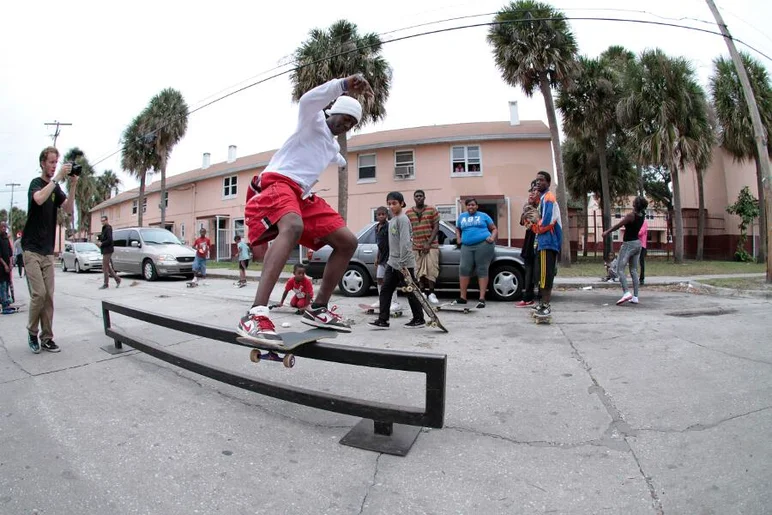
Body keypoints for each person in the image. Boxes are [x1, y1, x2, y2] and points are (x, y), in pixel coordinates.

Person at [236, 74, 373, 345]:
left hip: (302, 194)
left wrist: (343, 160)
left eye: (351, 124)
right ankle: (255, 313)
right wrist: (344, 85)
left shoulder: (332, 146)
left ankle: (318, 308)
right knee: (293, 226)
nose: (344, 126)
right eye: (344, 119)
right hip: (278, 182)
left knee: (348, 242)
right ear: (333, 112)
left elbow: (335, 156)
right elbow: (309, 100)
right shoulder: (312, 120)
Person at [22, 146, 79, 353]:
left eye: (57, 162)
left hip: (47, 251)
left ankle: (47, 337)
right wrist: (57, 179)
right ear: (42, 163)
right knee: (39, 293)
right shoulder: (36, 184)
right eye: (51, 162)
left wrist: (72, 185)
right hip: (31, 249)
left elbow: (69, 209)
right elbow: (38, 199)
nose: (54, 166)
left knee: (49, 297)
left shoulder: (56, 189)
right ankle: (31, 331)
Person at [369, 192, 426, 329]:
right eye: (389, 204)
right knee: (385, 290)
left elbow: (405, 243)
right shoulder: (393, 220)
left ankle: (419, 319)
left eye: (394, 203)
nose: (391, 206)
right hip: (392, 263)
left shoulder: (403, 219)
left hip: (404, 264)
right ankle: (383, 320)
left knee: (411, 291)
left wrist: (402, 263)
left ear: (401, 203)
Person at [603, 196, 648, 305]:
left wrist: (607, 232)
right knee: (633, 270)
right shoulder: (642, 215)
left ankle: (626, 292)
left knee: (619, 269)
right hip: (638, 244)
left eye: (634, 201)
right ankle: (635, 297)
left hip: (628, 244)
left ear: (635, 204)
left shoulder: (631, 216)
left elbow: (618, 225)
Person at [454, 198, 497, 308]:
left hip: (483, 245)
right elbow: (458, 228)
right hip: (466, 246)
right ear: (466, 206)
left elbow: (494, 228)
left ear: (477, 206)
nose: (471, 207)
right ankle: (463, 297)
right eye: (468, 205)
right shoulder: (462, 217)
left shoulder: (483, 216)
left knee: (482, 269)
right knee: (464, 268)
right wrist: (458, 238)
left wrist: (492, 238)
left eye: (473, 205)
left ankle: (482, 298)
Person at [532, 170, 562, 319]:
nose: (538, 182)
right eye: (537, 180)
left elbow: (547, 222)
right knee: (541, 275)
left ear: (548, 183)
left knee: (545, 276)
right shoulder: (542, 199)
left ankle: (546, 305)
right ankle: (542, 304)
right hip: (542, 243)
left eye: (542, 180)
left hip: (548, 243)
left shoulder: (549, 198)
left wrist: (533, 225)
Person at [406, 190, 440, 305]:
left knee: (432, 268)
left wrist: (428, 243)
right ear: (414, 198)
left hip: (431, 246)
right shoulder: (409, 213)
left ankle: (431, 293)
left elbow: (436, 227)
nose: (419, 198)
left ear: (424, 197)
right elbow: (406, 230)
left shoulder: (432, 210)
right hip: (415, 246)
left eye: (421, 196)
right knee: (418, 270)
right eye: (417, 196)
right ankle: (422, 292)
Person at [371, 206, 401, 312]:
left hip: (390, 257)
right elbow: (380, 245)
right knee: (379, 279)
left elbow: (393, 241)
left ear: (387, 215)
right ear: (376, 216)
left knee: (390, 280)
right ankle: (381, 300)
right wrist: (377, 257)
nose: (381, 216)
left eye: (383, 214)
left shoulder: (389, 226)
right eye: (379, 214)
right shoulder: (376, 227)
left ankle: (394, 302)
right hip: (382, 257)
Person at [515, 183, 540, 307]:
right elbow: (522, 222)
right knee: (529, 269)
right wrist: (527, 208)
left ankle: (541, 297)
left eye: (535, 191)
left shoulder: (544, 205)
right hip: (530, 239)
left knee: (538, 271)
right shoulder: (528, 207)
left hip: (541, 239)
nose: (531, 194)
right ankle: (528, 297)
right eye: (531, 191)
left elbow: (537, 220)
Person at [96, 215, 121, 289]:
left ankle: (106, 284)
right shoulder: (104, 228)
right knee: (107, 267)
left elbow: (110, 240)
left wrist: (102, 243)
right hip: (105, 250)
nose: (102, 222)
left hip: (108, 250)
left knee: (104, 267)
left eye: (104, 220)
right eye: (101, 221)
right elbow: (104, 237)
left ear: (107, 220)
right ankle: (118, 279)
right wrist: (99, 240)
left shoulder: (108, 228)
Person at [0, 221, 13, 313]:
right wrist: (5, 265)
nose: (4, 228)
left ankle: (7, 302)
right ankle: (4, 306)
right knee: (3, 285)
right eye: (2, 227)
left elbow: (10, 252)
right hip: (1, 267)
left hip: (8, 266)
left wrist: (11, 263)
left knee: (7, 284)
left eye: (5, 227)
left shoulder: (6, 239)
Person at [639, 217, 649, 285]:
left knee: (641, 262)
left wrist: (632, 231)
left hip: (642, 245)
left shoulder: (644, 222)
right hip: (634, 244)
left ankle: (642, 278)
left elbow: (641, 233)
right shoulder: (636, 221)